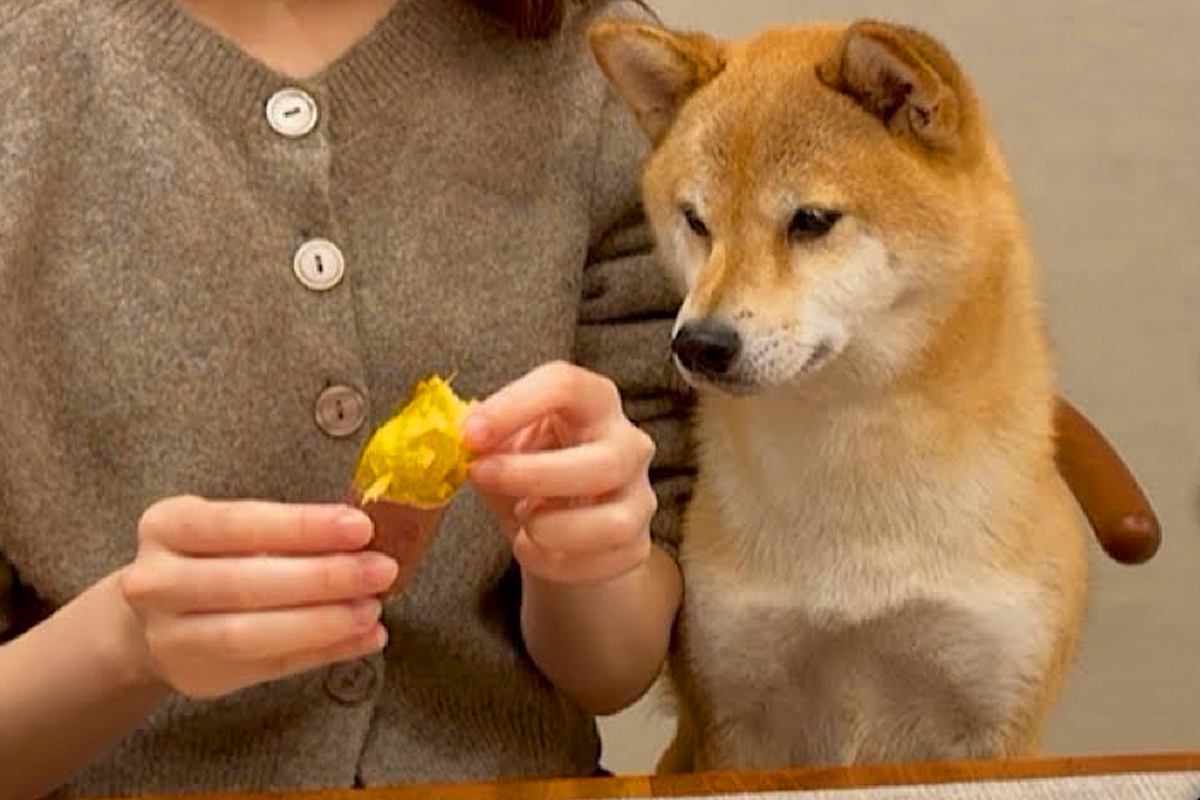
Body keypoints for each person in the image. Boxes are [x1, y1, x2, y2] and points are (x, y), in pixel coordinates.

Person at [0, 0, 695, 797]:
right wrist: (123, 647)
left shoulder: (595, 58)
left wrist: (585, 550)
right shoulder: (24, 66)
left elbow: (615, 670)